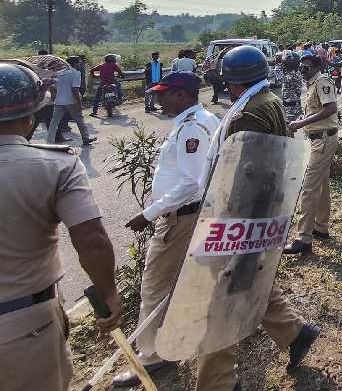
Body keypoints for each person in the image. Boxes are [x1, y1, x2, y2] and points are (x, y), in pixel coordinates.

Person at [196, 46, 320, 390]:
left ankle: (218, 381)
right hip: (260, 207)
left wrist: (231, 219)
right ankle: (294, 333)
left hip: (243, 212)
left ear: (233, 83)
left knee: (224, 294)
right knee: (247, 276)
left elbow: (245, 170)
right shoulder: (268, 100)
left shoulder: (247, 113)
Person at [0, 60, 121, 390]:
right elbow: (91, 239)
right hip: (24, 325)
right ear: (31, 117)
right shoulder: (57, 165)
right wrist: (108, 291)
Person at [112, 72, 220, 388]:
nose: (160, 100)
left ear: (183, 95)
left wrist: (149, 214)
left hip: (181, 218)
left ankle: (153, 357)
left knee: (154, 286)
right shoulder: (202, 119)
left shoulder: (193, 128)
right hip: (190, 215)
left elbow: (191, 183)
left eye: (165, 94)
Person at [284, 54, 340, 255]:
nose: (302, 70)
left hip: (323, 139)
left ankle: (303, 238)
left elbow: (331, 108)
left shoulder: (322, 81)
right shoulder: (310, 85)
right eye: (301, 67)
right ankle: (320, 227)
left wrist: (302, 123)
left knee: (308, 187)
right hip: (318, 138)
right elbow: (314, 110)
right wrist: (300, 120)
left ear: (317, 67)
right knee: (322, 184)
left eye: (306, 67)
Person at [47, 56, 96, 146]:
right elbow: (75, 90)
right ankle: (85, 139)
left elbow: (52, 87)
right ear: (75, 64)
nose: (79, 64)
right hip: (71, 101)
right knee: (79, 120)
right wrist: (79, 103)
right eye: (78, 63)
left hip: (59, 101)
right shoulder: (76, 73)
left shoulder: (58, 73)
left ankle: (49, 141)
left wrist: (55, 97)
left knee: (54, 122)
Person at [280, 50, 305, 123]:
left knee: (289, 127)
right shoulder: (291, 72)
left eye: (285, 63)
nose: (283, 64)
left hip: (292, 106)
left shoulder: (293, 75)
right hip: (289, 104)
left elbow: (279, 76)